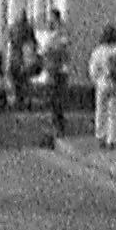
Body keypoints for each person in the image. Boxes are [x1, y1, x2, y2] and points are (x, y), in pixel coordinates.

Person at [87, 21, 116, 147]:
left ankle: (100, 135)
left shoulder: (98, 51)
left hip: (102, 83)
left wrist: (96, 80)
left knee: (100, 110)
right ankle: (112, 138)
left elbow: (93, 69)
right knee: (113, 111)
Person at [39, 9, 70, 141]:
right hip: (50, 69)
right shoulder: (51, 33)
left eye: (51, 18)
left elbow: (63, 49)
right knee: (51, 100)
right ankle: (55, 126)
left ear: (56, 19)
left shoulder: (61, 32)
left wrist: (49, 50)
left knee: (56, 100)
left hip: (58, 70)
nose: (49, 21)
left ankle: (59, 127)